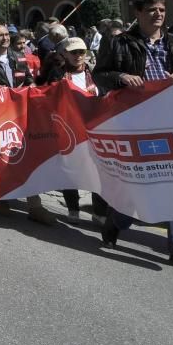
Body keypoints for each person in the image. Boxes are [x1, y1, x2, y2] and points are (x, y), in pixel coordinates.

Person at [93, 0, 173, 277]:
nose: (158, 14)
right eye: (150, 10)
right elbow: (100, 74)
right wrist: (121, 78)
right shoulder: (119, 42)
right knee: (141, 182)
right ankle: (117, 221)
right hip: (138, 122)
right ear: (138, 13)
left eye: (161, 9)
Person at [0, 24, 57, 225]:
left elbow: (27, 79)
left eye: (7, 35)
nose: (5, 38)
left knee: (28, 157)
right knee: (3, 158)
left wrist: (32, 87)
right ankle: (3, 197)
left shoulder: (19, 56)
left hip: (21, 114)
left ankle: (35, 206)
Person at [36, 37, 106, 224]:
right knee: (69, 171)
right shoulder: (57, 74)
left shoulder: (96, 74)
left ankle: (99, 213)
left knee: (97, 172)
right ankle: (73, 209)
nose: (78, 56)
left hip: (93, 130)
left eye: (81, 52)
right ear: (65, 54)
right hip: (67, 130)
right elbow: (46, 98)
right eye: (73, 52)